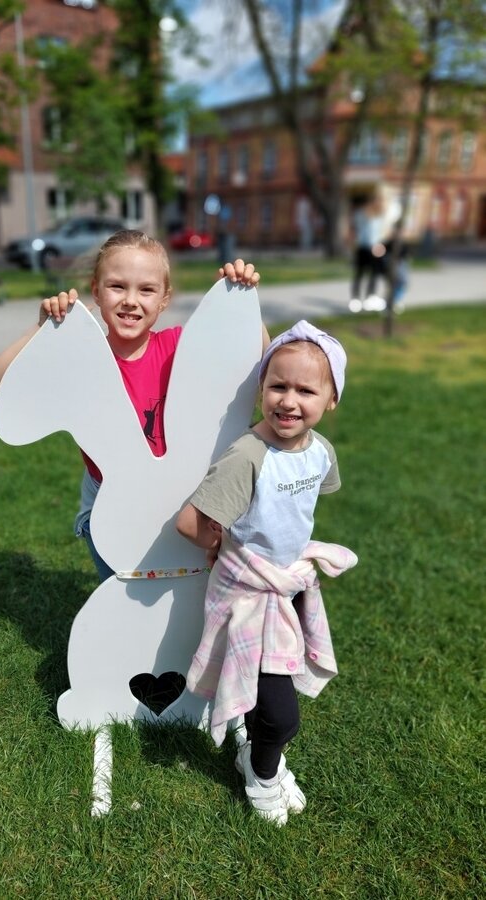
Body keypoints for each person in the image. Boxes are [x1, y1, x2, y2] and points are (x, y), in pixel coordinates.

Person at [0, 229, 268, 581]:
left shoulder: (179, 347)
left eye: (146, 290)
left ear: (164, 299)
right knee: (127, 593)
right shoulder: (82, 360)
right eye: (117, 286)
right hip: (111, 506)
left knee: (189, 590)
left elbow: (258, 362)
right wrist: (42, 329)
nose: (131, 300)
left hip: (182, 496)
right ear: (96, 291)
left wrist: (241, 301)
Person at [176, 321, 356, 826]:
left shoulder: (319, 452)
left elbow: (295, 509)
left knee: (269, 692)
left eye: (306, 391)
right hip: (250, 595)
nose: (289, 401)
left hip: (287, 586)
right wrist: (223, 549)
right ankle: (261, 771)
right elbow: (190, 522)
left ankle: (256, 753)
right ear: (261, 389)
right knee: (281, 714)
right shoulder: (249, 455)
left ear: (332, 400)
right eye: (278, 386)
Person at [349, 196, 388, 312]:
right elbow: (368, 234)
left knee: (372, 273)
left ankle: (368, 297)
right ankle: (358, 298)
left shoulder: (377, 215)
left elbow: (380, 233)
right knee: (363, 273)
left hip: (370, 247)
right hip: (368, 247)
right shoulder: (364, 215)